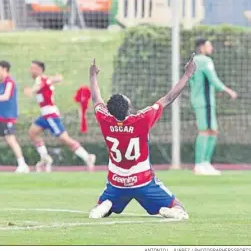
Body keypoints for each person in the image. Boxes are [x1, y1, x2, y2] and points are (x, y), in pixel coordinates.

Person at [88, 55, 196, 220]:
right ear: (128, 108)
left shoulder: (105, 119)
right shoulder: (141, 119)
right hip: (143, 181)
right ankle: (170, 210)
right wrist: (187, 74)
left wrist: (92, 76)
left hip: (116, 182)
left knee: (106, 202)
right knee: (178, 206)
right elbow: (168, 98)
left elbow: (96, 98)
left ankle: (105, 204)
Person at [24, 60, 96, 172]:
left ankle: (87, 157)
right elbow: (56, 79)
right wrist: (55, 79)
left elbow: (40, 86)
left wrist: (32, 91)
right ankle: (45, 158)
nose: (30, 70)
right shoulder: (44, 79)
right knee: (33, 132)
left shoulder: (41, 80)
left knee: (65, 139)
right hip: (45, 115)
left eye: (33, 68)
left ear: (39, 70)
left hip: (51, 115)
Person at [191, 38, 238, 175]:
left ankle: (205, 163)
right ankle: (199, 164)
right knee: (205, 131)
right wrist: (228, 90)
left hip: (203, 101)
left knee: (213, 131)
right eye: (209, 45)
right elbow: (214, 81)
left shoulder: (194, 61)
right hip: (203, 101)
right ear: (202, 47)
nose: (211, 47)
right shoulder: (204, 61)